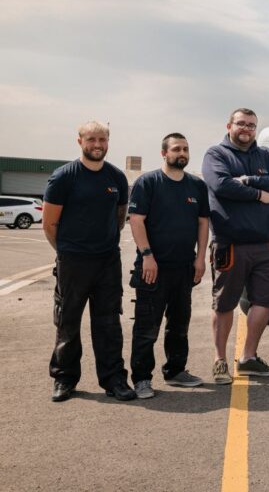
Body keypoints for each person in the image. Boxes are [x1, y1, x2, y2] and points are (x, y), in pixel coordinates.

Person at [43, 121, 136, 401]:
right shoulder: (64, 177)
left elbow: (119, 218)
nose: (97, 144)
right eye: (91, 139)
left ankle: (114, 380)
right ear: (80, 141)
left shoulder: (116, 177)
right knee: (68, 322)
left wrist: (103, 245)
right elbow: (49, 224)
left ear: (108, 142)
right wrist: (67, 252)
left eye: (102, 139)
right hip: (73, 262)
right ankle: (64, 378)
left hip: (107, 262)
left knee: (109, 324)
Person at [202, 108, 269, 384]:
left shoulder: (265, 155)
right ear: (229, 125)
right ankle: (220, 361)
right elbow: (222, 185)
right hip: (230, 244)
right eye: (241, 124)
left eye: (251, 125)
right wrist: (260, 195)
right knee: (224, 304)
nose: (246, 129)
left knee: (265, 301)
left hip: (263, 244)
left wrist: (250, 181)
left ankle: (248, 357)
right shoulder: (216, 154)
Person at [128, 133, 210, 399]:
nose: (182, 153)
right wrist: (147, 256)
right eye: (176, 149)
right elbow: (136, 220)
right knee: (147, 328)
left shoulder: (197, 186)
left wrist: (200, 258)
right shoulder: (148, 182)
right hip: (153, 268)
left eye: (185, 148)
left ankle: (176, 371)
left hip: (184, 268)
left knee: (179, 325)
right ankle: (142, 379)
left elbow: (203, 223)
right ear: (164, 153)